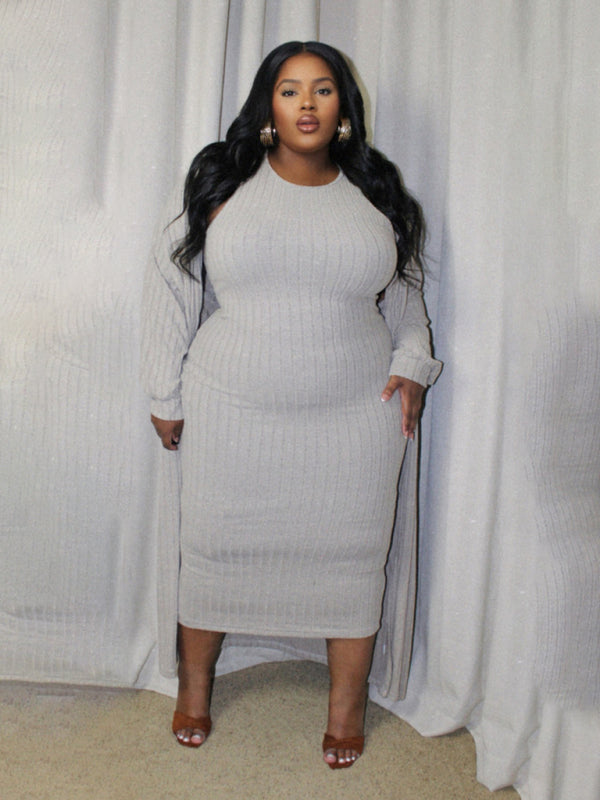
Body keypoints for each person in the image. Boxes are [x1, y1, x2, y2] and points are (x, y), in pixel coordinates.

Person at [141, 40, 441, 769]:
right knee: (213, 552)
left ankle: (345, 709)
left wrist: (412, 365)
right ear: (268, 107)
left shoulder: (375, 195)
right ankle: (194, 689)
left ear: (343, 108)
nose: (307, 103)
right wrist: (163, 391)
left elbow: (406, 297)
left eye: (323, 89)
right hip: (232, 410)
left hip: (355, 418)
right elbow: (170, 283)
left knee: (352, 560)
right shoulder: (222, 183)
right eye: (289, 89)